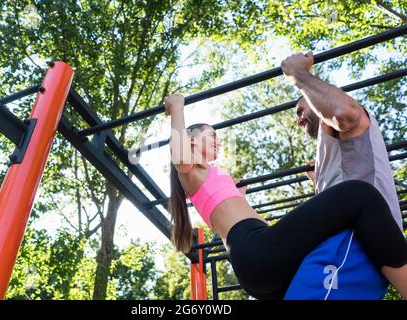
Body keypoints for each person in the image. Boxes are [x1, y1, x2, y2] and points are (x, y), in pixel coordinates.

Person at [165, 93, 407, 300]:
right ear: (192, 140)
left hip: (256, 264)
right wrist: (177, 107)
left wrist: (241, 196)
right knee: (360, 194)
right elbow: (180, 158)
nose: (218, 141)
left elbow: (227, 211)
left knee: (325, 257)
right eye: (212, 135)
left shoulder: (209, 176)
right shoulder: (191, 170)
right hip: (255, 250)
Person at [280, 52, 404, 299]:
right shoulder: (329, 145)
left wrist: (298, 75)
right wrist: (319, 182)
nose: (299, 119)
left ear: (314, 98)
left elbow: (342, 111)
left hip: (353, 241)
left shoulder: (340, 119)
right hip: (357, 244)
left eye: (299, 109)